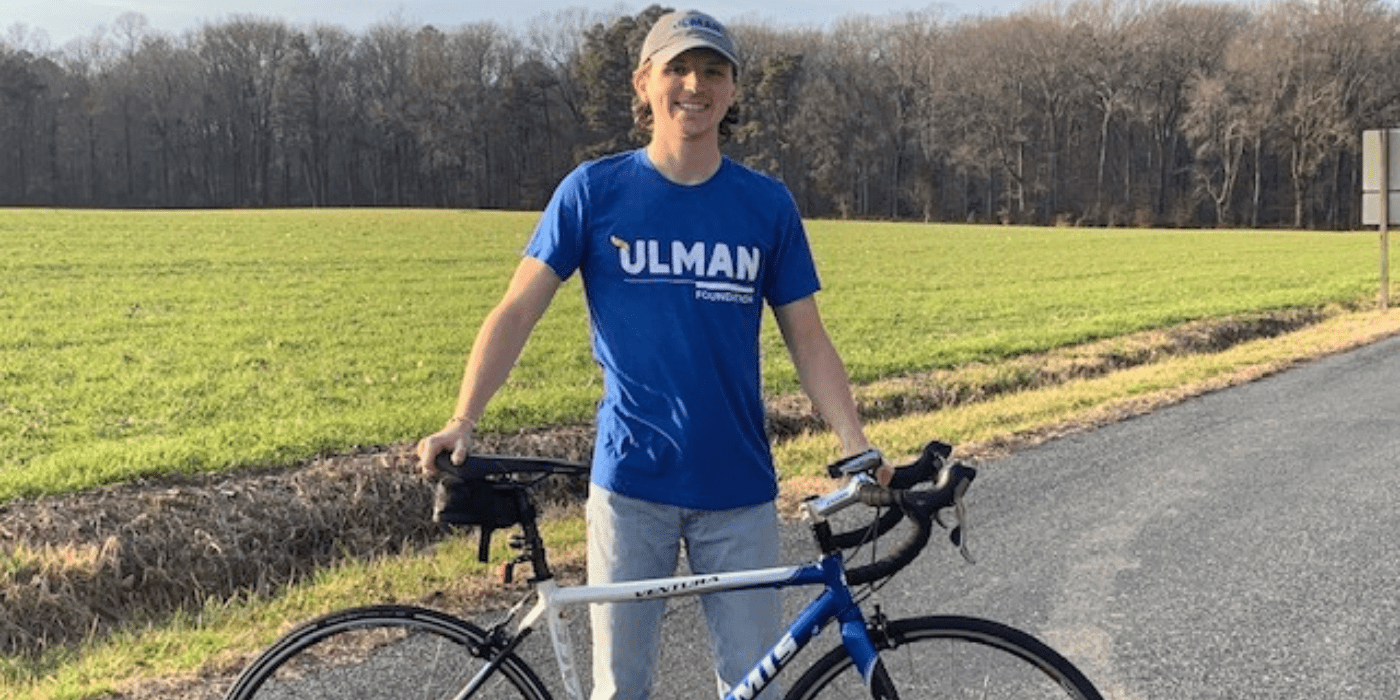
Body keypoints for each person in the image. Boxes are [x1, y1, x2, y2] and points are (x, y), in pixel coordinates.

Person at [416, 10, 880, 700]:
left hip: (740, 490)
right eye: (678, 69)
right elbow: (517, 310)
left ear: (732, 89)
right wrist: (463, 418)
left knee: (753, 686)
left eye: (713, 71)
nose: (695, 85)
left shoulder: (765, 205)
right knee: (622, 689)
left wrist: (855, 442)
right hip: (632, 486)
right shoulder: (595, 192)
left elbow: (807, 337)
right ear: (644, 83)